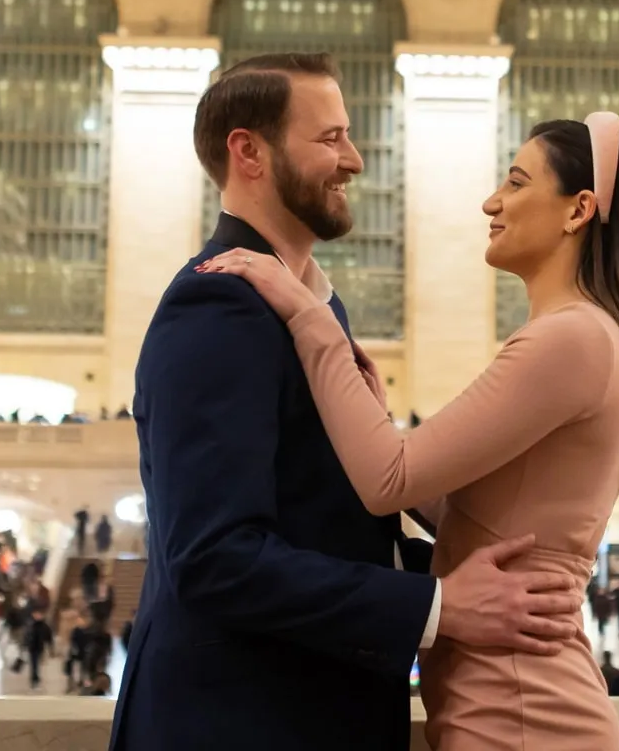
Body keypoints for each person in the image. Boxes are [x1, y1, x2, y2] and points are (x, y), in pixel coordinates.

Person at [112, 56, 592, 751]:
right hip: (241, 724)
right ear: (248, 151)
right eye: (330, 138)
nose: (355, 160)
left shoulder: (303, 303)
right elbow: (213, 556)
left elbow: (326, 518)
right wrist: (438, 606)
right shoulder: (219, 300)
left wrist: (454, 574)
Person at [193, 72, 619, 751]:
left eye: (515, 182)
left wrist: (310, 318)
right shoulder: (591, 337)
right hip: (515, 699)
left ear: (578, 210)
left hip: (523, 713)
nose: (492, 201)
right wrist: (376, 421)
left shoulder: (572, 339)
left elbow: (387, 480)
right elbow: (475, 515)